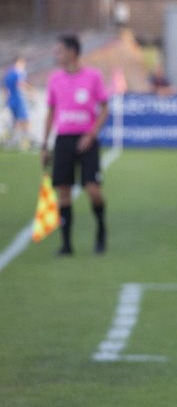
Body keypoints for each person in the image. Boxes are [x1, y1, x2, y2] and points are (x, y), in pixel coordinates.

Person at [41, 34, 109, 255]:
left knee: (93, 190)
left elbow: (105, 108)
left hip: (87, 139)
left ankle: (100, 230)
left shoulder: (93, 76)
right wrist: (44, 144)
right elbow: (51, 111)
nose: (56, 54)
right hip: (63, 140)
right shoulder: (54, 79)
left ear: (72, 52)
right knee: (64, 193)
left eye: (59, 50)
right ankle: (67, 245)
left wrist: (91, 134)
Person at [3, 56, 37, 150]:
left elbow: (6, 89)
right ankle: (25, 143)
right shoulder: (18, 72)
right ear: (19, 62)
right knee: (26, 121)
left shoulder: (8, 73)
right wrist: (32, 91)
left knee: (16, 123)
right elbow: (20, 84)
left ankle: (5, 138)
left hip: (11, 101)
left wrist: (8, 101)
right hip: (19, 100)